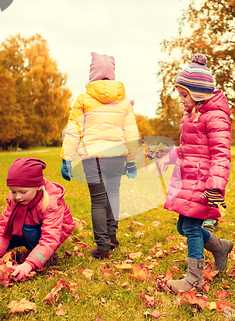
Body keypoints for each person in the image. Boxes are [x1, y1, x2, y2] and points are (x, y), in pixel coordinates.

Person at [161, 53, 234, 292]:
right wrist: (167, 156)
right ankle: (220, 247)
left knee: (191, 229)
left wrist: (215, 185)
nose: (181, 100)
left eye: (184, 95)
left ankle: (194, 277)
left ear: (199, 94)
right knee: (182, 228)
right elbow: (187, 149)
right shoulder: (191, 115)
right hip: (188, 180)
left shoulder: (215, 117)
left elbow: (221, 154)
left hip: (203, 183)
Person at [60, 52, 140, 260]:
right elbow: (131, 133)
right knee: (113, 194)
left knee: (98, 200)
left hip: (92, 156)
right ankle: (112, 236)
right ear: (112, 75)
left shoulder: (83, 100)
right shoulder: (123, 102)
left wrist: (66, 158)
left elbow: (73, 130)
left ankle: (102, 247)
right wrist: (132, 161)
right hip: (117, 155)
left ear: (92, 75)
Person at [0, 158, 75, 280]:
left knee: (26, 228)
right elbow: (4, 227)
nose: (18, 196)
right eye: (13, 191)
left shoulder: (52, 202)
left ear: (38, 186)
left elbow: (50, 238)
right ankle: (7, 248)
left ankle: (45, 256)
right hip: (25, 229)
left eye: (23, 192)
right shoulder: (14, 198)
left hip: (46, 235)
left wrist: (29, 264)